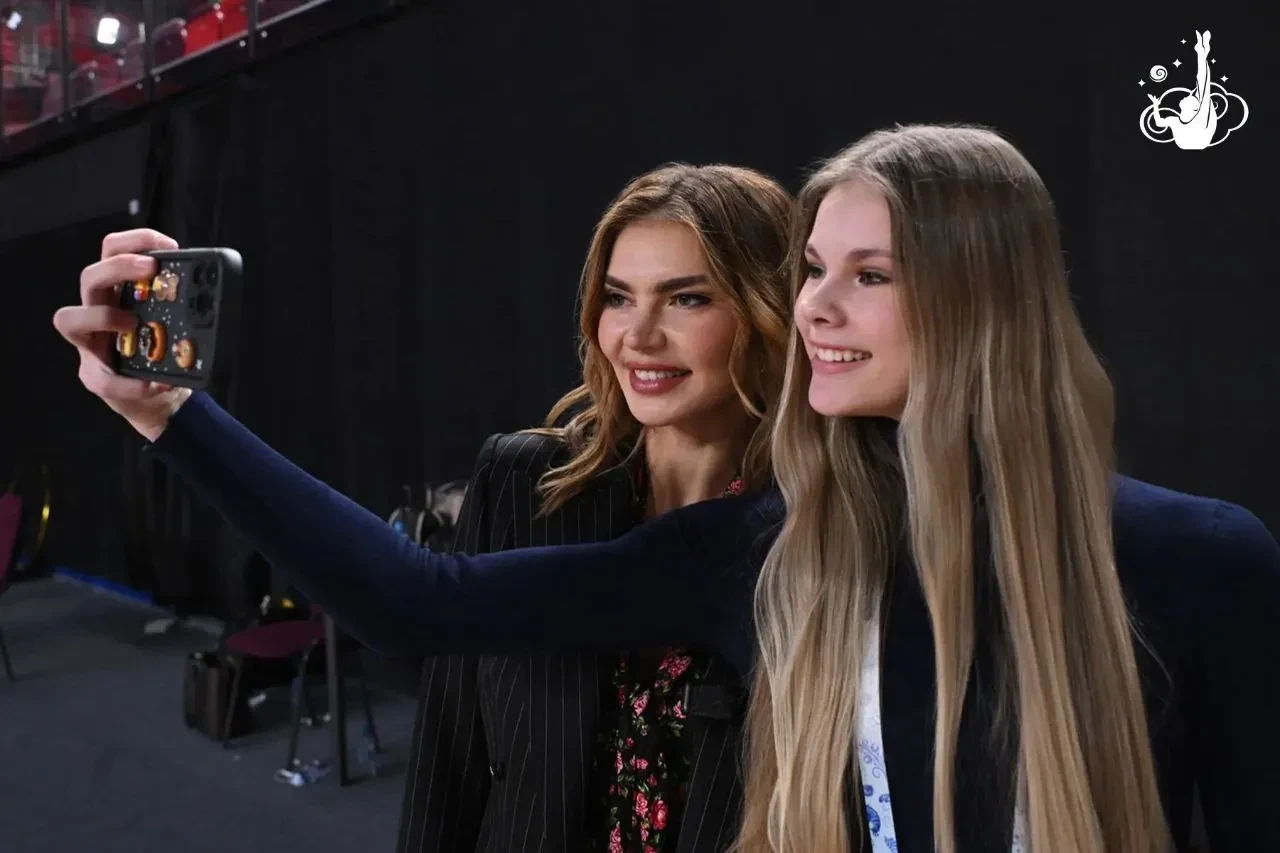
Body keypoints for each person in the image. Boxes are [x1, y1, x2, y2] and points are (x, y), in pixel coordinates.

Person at [55, 124, 1280, 853]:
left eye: (868, 275)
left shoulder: (1197, 561)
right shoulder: (764, 549)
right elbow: (413, 600)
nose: (817, 306)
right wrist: (170, 413)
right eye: (811, 269)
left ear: (982, 297)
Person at [397, 164, 792, 853]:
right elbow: (448, 756)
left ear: (767, 313)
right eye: (618, 297)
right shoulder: (522, 482)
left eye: (686, 299)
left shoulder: (816, 531)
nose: (637, 335)